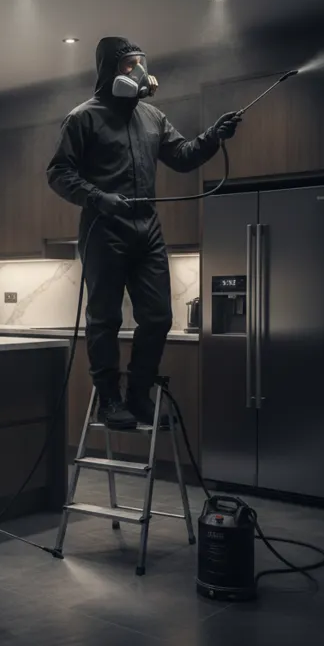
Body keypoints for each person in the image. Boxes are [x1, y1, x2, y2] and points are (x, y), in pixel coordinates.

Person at [47, 36, 242, 429]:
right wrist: (99, 198)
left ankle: (139, 396)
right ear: (109, 71)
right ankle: (109, 400)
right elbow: (58, 173)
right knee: (105, 319)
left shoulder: (152, 117)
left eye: (141, 63)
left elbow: (183, 156)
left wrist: (213, 137)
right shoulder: (83, 118)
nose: (138, 72)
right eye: (129, 64)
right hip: (105, 229)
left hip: (147, 229)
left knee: (157, 318)